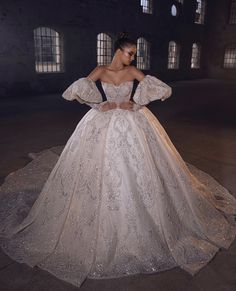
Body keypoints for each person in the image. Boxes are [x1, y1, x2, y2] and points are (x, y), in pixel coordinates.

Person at [0, 33, 236, 289]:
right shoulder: (100, 70)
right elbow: (76, 90)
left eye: (133, 53)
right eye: (129, 52)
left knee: (139, 168)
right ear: (117, 51)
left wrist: (136, 103)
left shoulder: (134, 71)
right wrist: (96, 106)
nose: (132, 57)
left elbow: (162, 89)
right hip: (103, 121)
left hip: (132, 122)